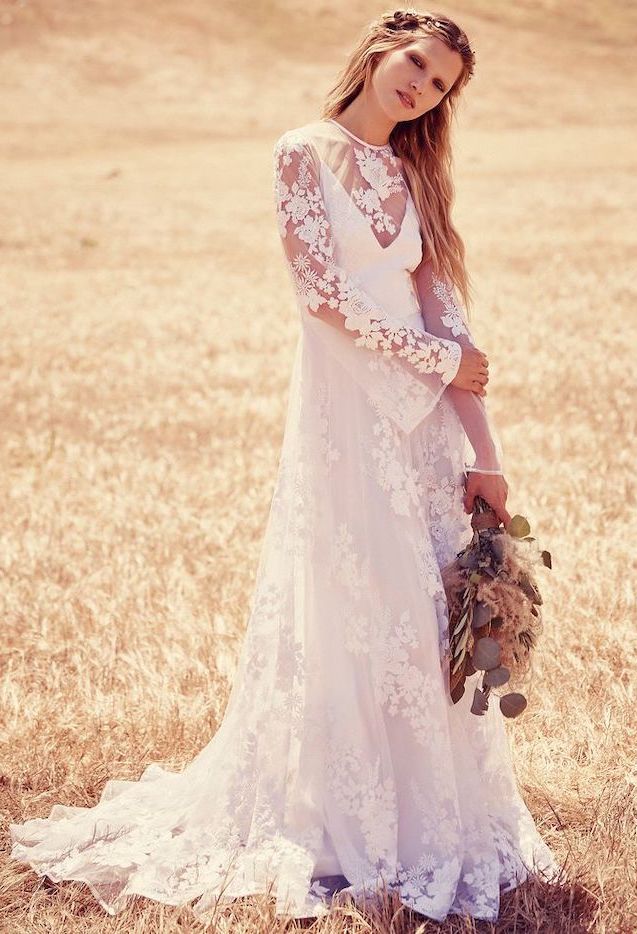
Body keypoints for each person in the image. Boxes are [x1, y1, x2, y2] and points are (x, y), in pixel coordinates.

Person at [8, 8, 562, 924]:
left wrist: (488, 455)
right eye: (416, 63)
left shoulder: (417, 172)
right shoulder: (303, 152)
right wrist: (435, 362)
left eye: (439, 84)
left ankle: (434, 820)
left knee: (433, 624)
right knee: (359, 610)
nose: (420, 86)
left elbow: (450, 325)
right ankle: (343, 822)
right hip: (348, 428)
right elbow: (324, 299)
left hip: (425, 434)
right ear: (383, 48)